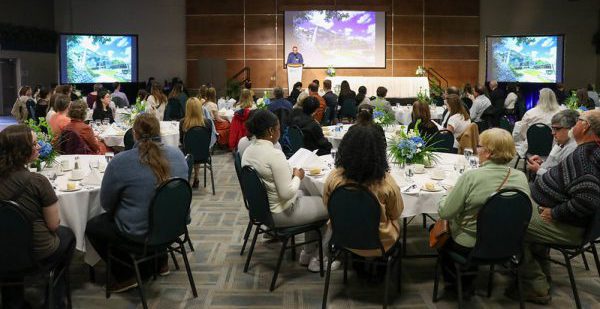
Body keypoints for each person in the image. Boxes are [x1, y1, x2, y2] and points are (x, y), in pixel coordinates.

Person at [86, 113, 187, 292]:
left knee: (95, 225)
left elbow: (107, 204)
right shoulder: (178, 155)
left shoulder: (121, 162)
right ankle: (160, 261)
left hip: (140, 232)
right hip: (173, 227)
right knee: (155, 212)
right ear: (159, 132)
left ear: (134, 134)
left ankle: (125, 275)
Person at [514, 110, 600, 304]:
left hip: (569, 227)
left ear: (585, 126)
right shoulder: (589, 150)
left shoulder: (584, 157)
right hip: (563, 218)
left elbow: (587, 199)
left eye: (579, 120)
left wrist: (555, 212)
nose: (575, 123)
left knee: (512, 221)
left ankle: (534, 286)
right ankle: (540, 275)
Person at [438, 128, 530, 296]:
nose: (476, 149)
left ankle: (457, 287)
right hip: (509, 243)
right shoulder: (521, 177)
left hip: (471, 245)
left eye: (479, 146)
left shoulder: (471, 177)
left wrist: (446, 196)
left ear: (488, 153)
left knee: (440, 237)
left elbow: (445, 212)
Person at [241, 109, 331, 272]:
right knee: (331, 204)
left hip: (262, 210)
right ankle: (319, 258)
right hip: (281, 212)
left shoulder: (248, 150)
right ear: (270, 131)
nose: (279, 132)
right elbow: (286, 193)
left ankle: (307, 253)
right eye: (278, 129)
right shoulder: (274, 154)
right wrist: (297, 176)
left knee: (309, 194)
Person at [0, 125, 76, 309]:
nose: (39, 147)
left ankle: (13, 301)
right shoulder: (37, 181)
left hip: (2, 249)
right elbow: (53, 225)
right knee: (68, 236)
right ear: (23, 151)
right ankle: (55, 300)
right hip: (35, 253)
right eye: (34, 144)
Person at [324, 123, 403, 258]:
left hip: (342, 238)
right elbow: (396, 212)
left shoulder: (334, 178)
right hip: (379, 243)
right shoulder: (386, 183)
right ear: (379, 152)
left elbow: (328, 205)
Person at [526, 109, 578, 177]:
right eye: (552, 128)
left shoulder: (572, 149)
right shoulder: (563, 143)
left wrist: (538, 169)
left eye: (557, 129)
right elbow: (555, 167)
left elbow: (560, 178)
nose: (552, 133)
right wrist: (542, 163)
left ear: (571, 129)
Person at [513, 88, 561, 157]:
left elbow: (521, 132)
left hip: (531, 147)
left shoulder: (530, 113)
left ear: (540, 98)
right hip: (553, 149)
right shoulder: (560, 114)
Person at [180, 97, 213, 188]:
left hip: (188, 154)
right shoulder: (208, 123)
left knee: (189, 148)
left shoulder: (183, 122)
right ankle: (196, 177)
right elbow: (208, 141)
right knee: (197, 146)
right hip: (204, 154)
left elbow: (181, 140)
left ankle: (185, 176)